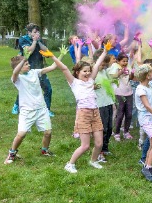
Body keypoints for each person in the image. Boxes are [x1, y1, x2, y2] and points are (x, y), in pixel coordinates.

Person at [46, 43, 110, 173]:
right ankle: (70, 164)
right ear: (77, 72)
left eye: (88, 71)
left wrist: (105, 52)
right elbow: (64, 69)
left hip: (95, 113)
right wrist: (53, 56)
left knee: (99, 143)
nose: (87, 73)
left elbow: (97, 65)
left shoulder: (91, 80)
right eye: (84, 71)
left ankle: (93, 160)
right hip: (83, 114)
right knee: (85, 145)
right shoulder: (74, 83)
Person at [4, 49, 59, 164]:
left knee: (48, 132)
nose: (28, 64)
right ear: (19, 67)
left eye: (28, 63)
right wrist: (23, 58)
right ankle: (12, 153)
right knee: (21, 134)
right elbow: (15, 72)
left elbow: (53, 67)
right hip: (27, 111)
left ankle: (45, 150)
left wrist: (59, 55)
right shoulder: (17, 78)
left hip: (41, 109)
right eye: (26, 64)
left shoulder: (34, 72)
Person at [12, 23, 53, 117]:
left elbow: (46, 50)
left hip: (39, 68)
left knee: (48, 89)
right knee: (26, 89)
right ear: (29, 32)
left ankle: (47, 110)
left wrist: (38, 41)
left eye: (38, 31)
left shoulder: (39, 39)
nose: (37, 33)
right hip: (27, 68)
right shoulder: (23, 39)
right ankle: (16, 105)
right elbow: (28, 51)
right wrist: (34, 41)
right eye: (35, 32)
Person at [93, 49, 115, 162]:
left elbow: (108, 84)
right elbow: (84, 85)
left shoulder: (104, 71)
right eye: (102, 64)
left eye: (105, 64)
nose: (104, 66)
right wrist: (92, 87)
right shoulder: (93, 72)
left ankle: (105, 147)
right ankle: (99, 152)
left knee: (110, 127)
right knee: (102, 128)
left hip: (108, 102)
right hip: (99, 104)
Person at [109, 53, 134, 141]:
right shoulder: (115, 67)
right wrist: (121, 71)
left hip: (129, 92)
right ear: (118, 61)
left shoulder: (128, 67)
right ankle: (117, 133)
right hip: (119, 93)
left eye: (126, 61)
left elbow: (130, 78)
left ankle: (126, 131)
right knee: (120, 114)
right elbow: (113, 76)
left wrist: (132, 73)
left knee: (129, 114)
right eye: (123, 61)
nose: (125, 63)